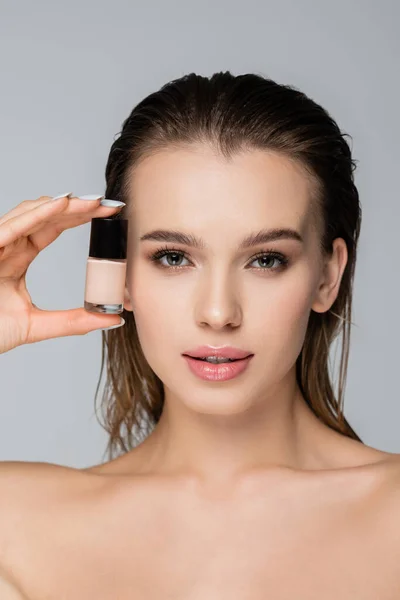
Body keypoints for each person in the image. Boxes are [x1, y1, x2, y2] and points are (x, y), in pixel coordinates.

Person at [0, 71, 399, 598]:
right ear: (118, 272)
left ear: (327, 276)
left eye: (265, 259)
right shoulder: (15, 524)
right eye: (173, 257)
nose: (218, 312)